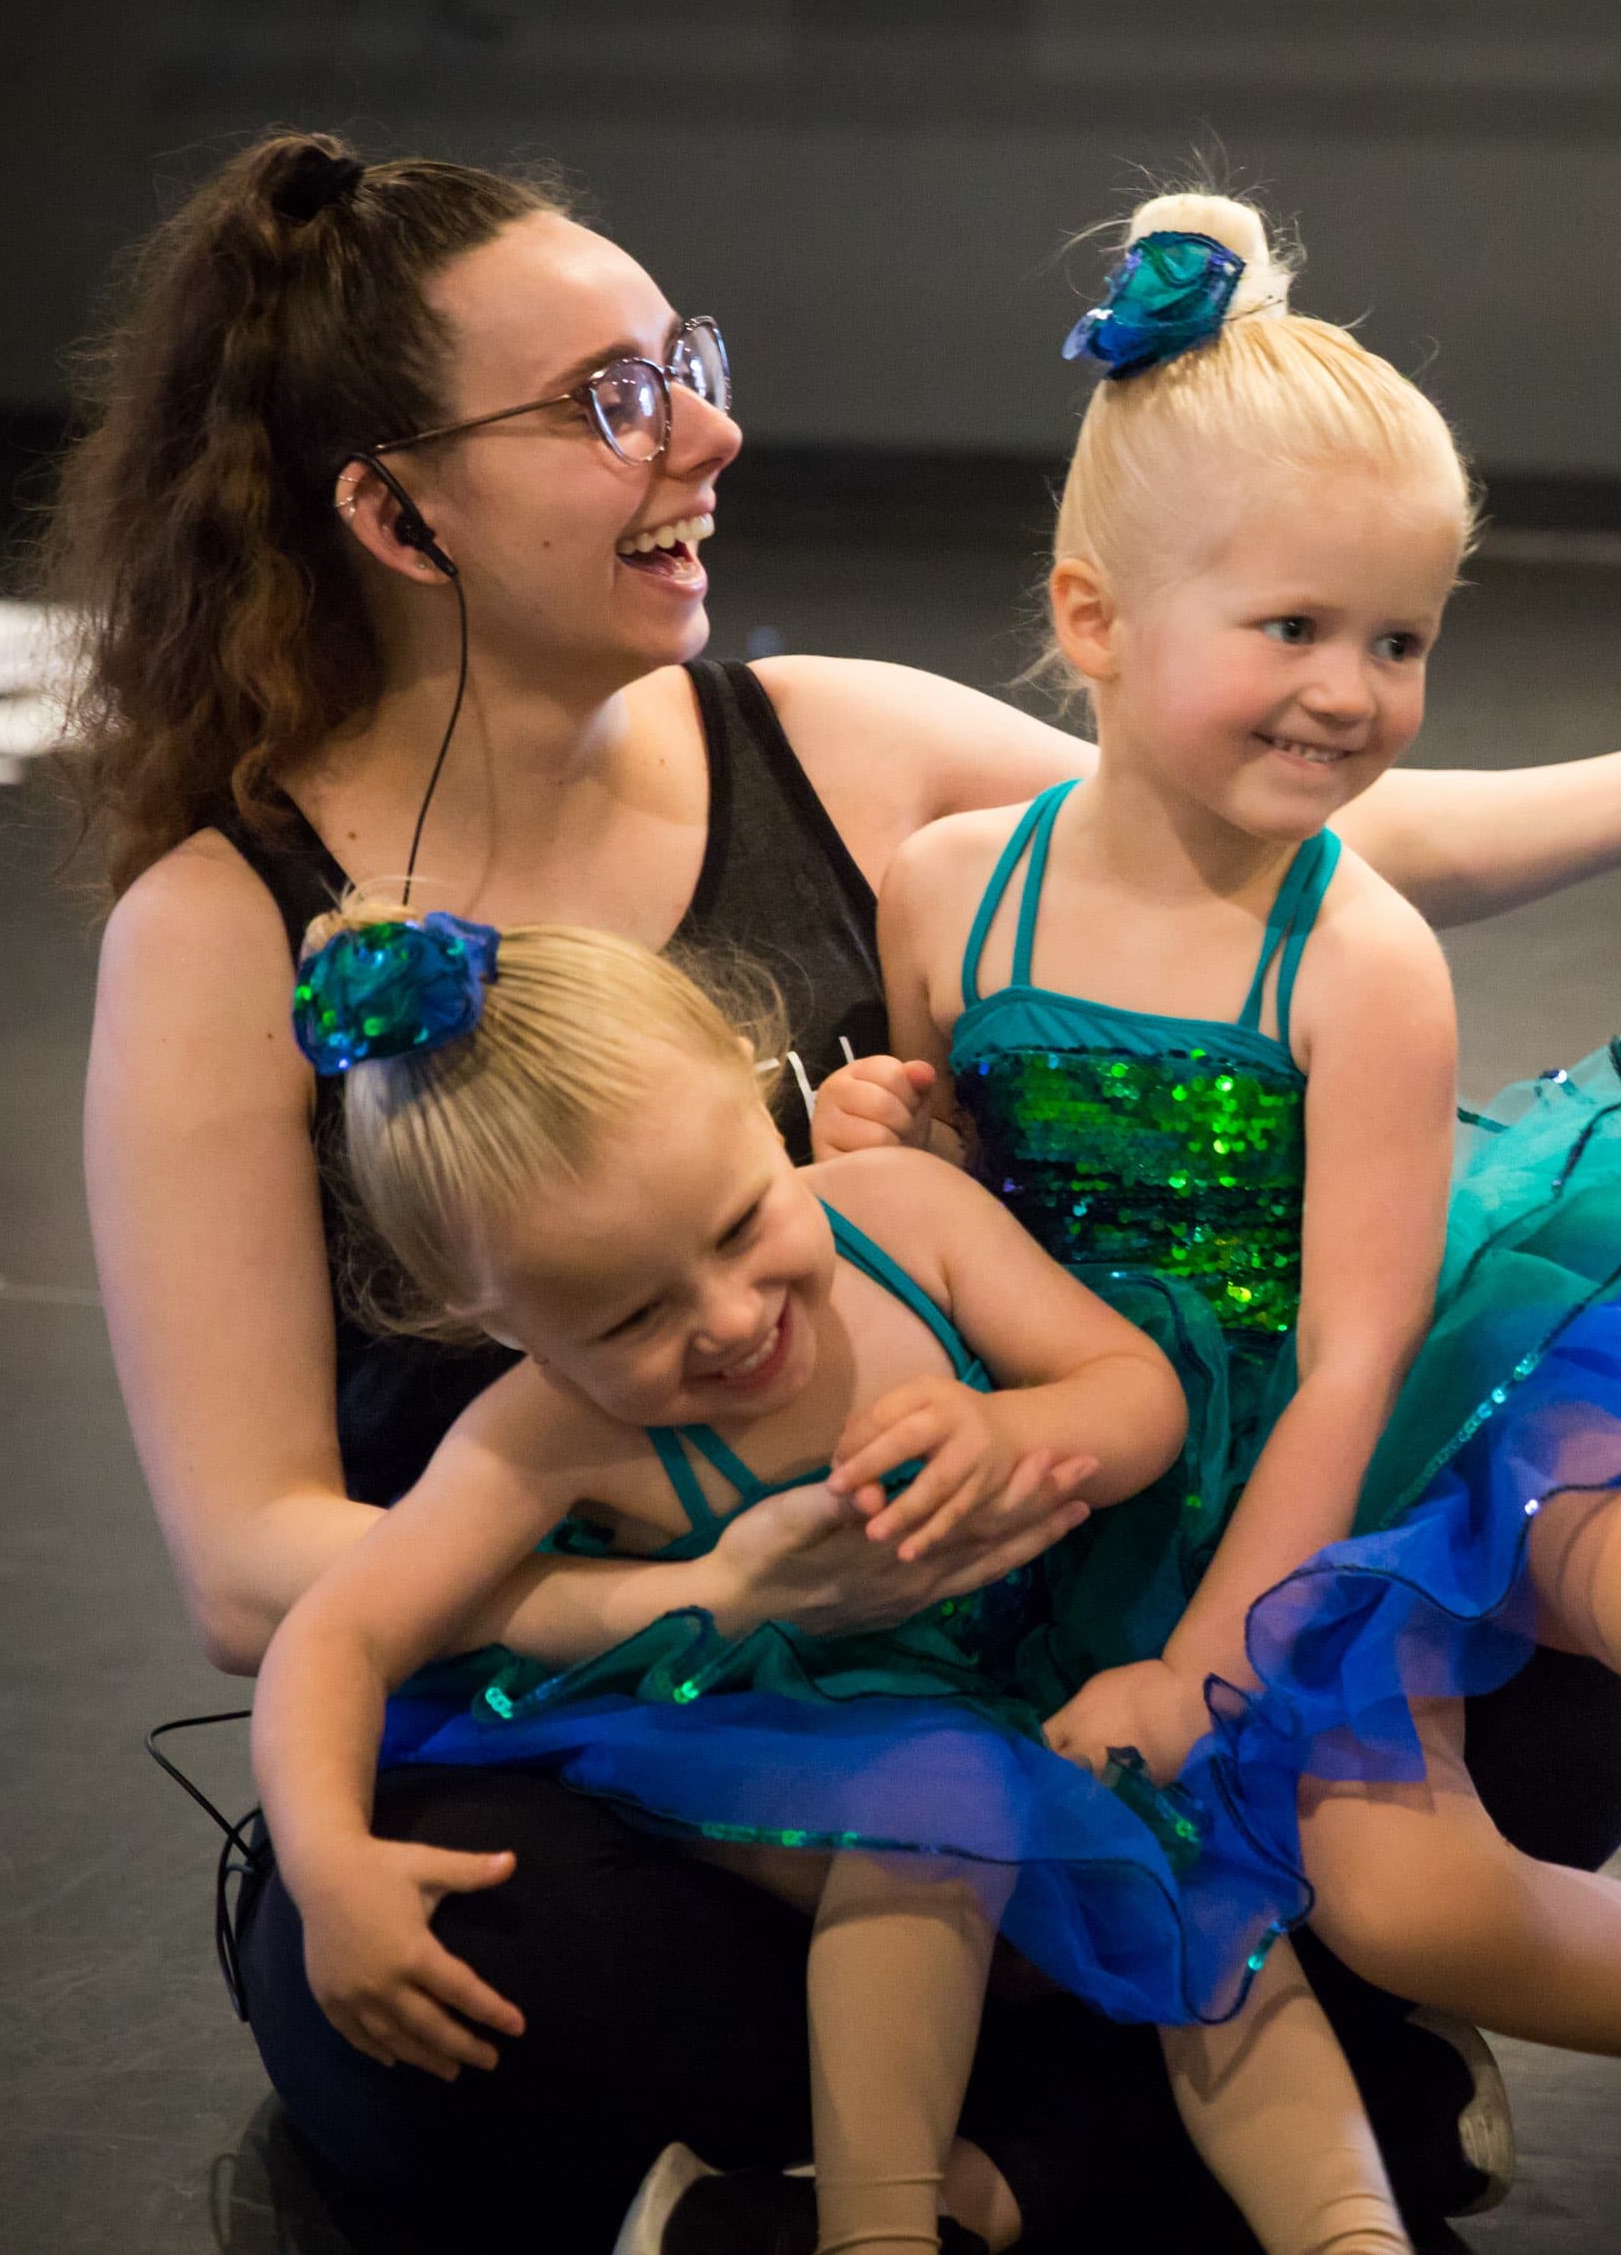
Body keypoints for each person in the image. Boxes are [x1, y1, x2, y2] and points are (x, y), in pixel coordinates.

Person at [52, 130, 1621, 2251]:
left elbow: (1268, 840)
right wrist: (705, 1597)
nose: (708, 432)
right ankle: (1151, 2130)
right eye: (610, 401)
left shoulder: (828, 739)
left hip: (1038, 1615)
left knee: (1551, 1701)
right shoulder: (225, 930)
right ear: (398, 516)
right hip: (658, 1713)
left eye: (685, 363)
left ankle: (952, 2167)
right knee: (456, 1974)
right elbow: (255, 1564)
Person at [832, 191, 1621, 2255]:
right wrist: (891, 1140)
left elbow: (1357, 1357)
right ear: (1094, 620)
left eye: (1401, 641)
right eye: (1293, 630)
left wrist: (1208, 1659)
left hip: (1387, 1404)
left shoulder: (1356, 952)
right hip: (1127, 1458)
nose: (1351, 694)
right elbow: (969, 1227)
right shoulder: (948, 894)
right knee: (1407, 1902)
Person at [249, 904, 1407, 2255]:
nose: (732, 1317)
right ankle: (881, 2227)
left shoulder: (905, 1219)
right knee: (936, 1810)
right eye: (631, 1317)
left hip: (1033, 1664)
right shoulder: (537, 1438)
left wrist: (1019, 1428)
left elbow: (1139, 1393)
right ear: (492, 1321)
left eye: (744, 1222)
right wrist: (329, 1867)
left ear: (762, 1105)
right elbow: (335, 1635)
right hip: (797, 1736)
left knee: (1194, 1866)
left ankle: (1348, 2226)